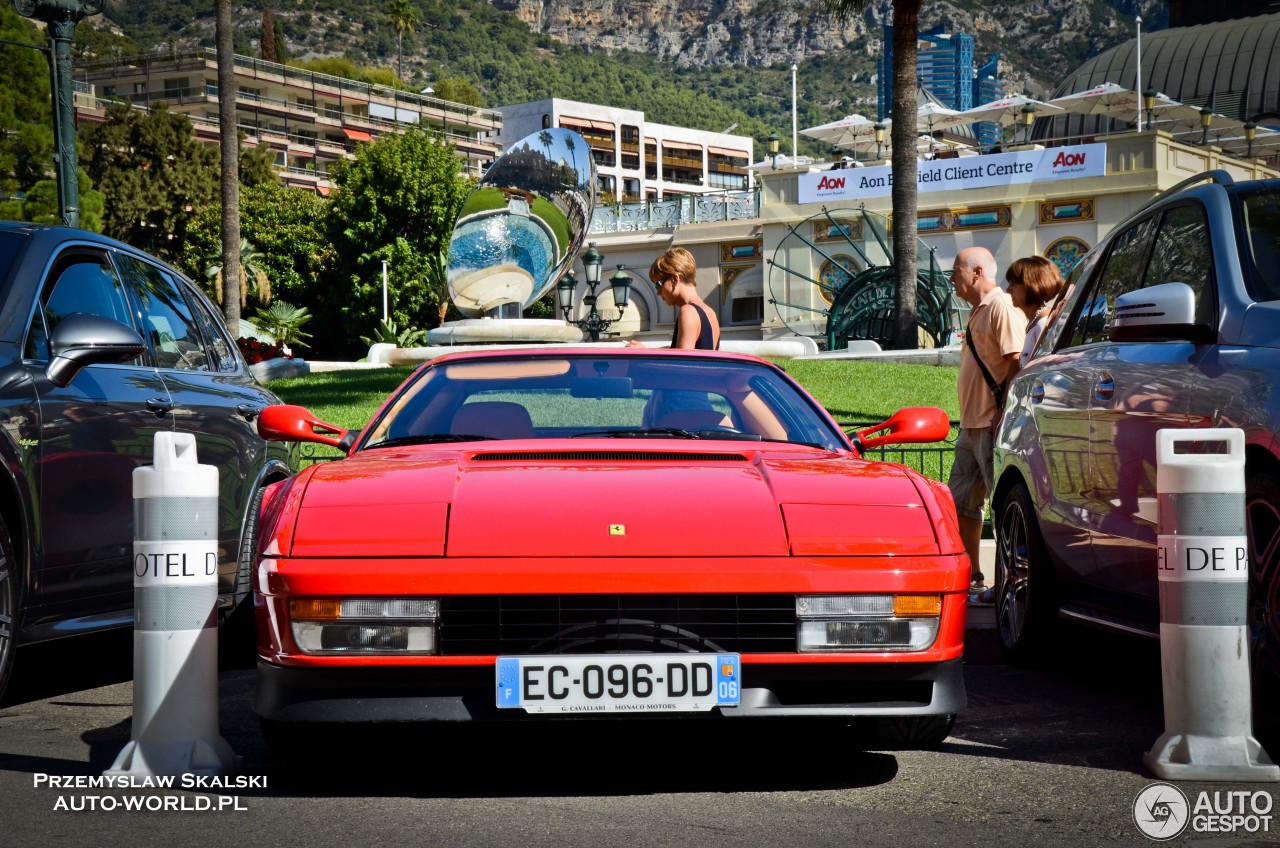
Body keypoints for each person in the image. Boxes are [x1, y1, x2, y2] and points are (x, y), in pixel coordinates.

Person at [947, 246, 1028, 598]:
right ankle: (972, 576)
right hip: (971, 426)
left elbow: (1016, 360)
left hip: (991, 426)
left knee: (1003, 507)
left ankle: (1011, 581)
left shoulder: (999, 306)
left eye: (956, 271)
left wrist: (1001, 413)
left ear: (977, 272)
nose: (952, 279)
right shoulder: (977, 311)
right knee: (961, 502)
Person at [626, 247, 719, 350]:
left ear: (675, 279)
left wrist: (645, 353)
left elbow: (680, 360)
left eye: (658, 285)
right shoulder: (711, 313)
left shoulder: (688, 311)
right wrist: (647, 351)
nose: (658, 292)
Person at [1005, 256, 1064, 369]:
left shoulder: (1043, 324)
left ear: (1031, 286)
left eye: (1013, 284)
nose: (1008, 290)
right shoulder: (1035, 321)